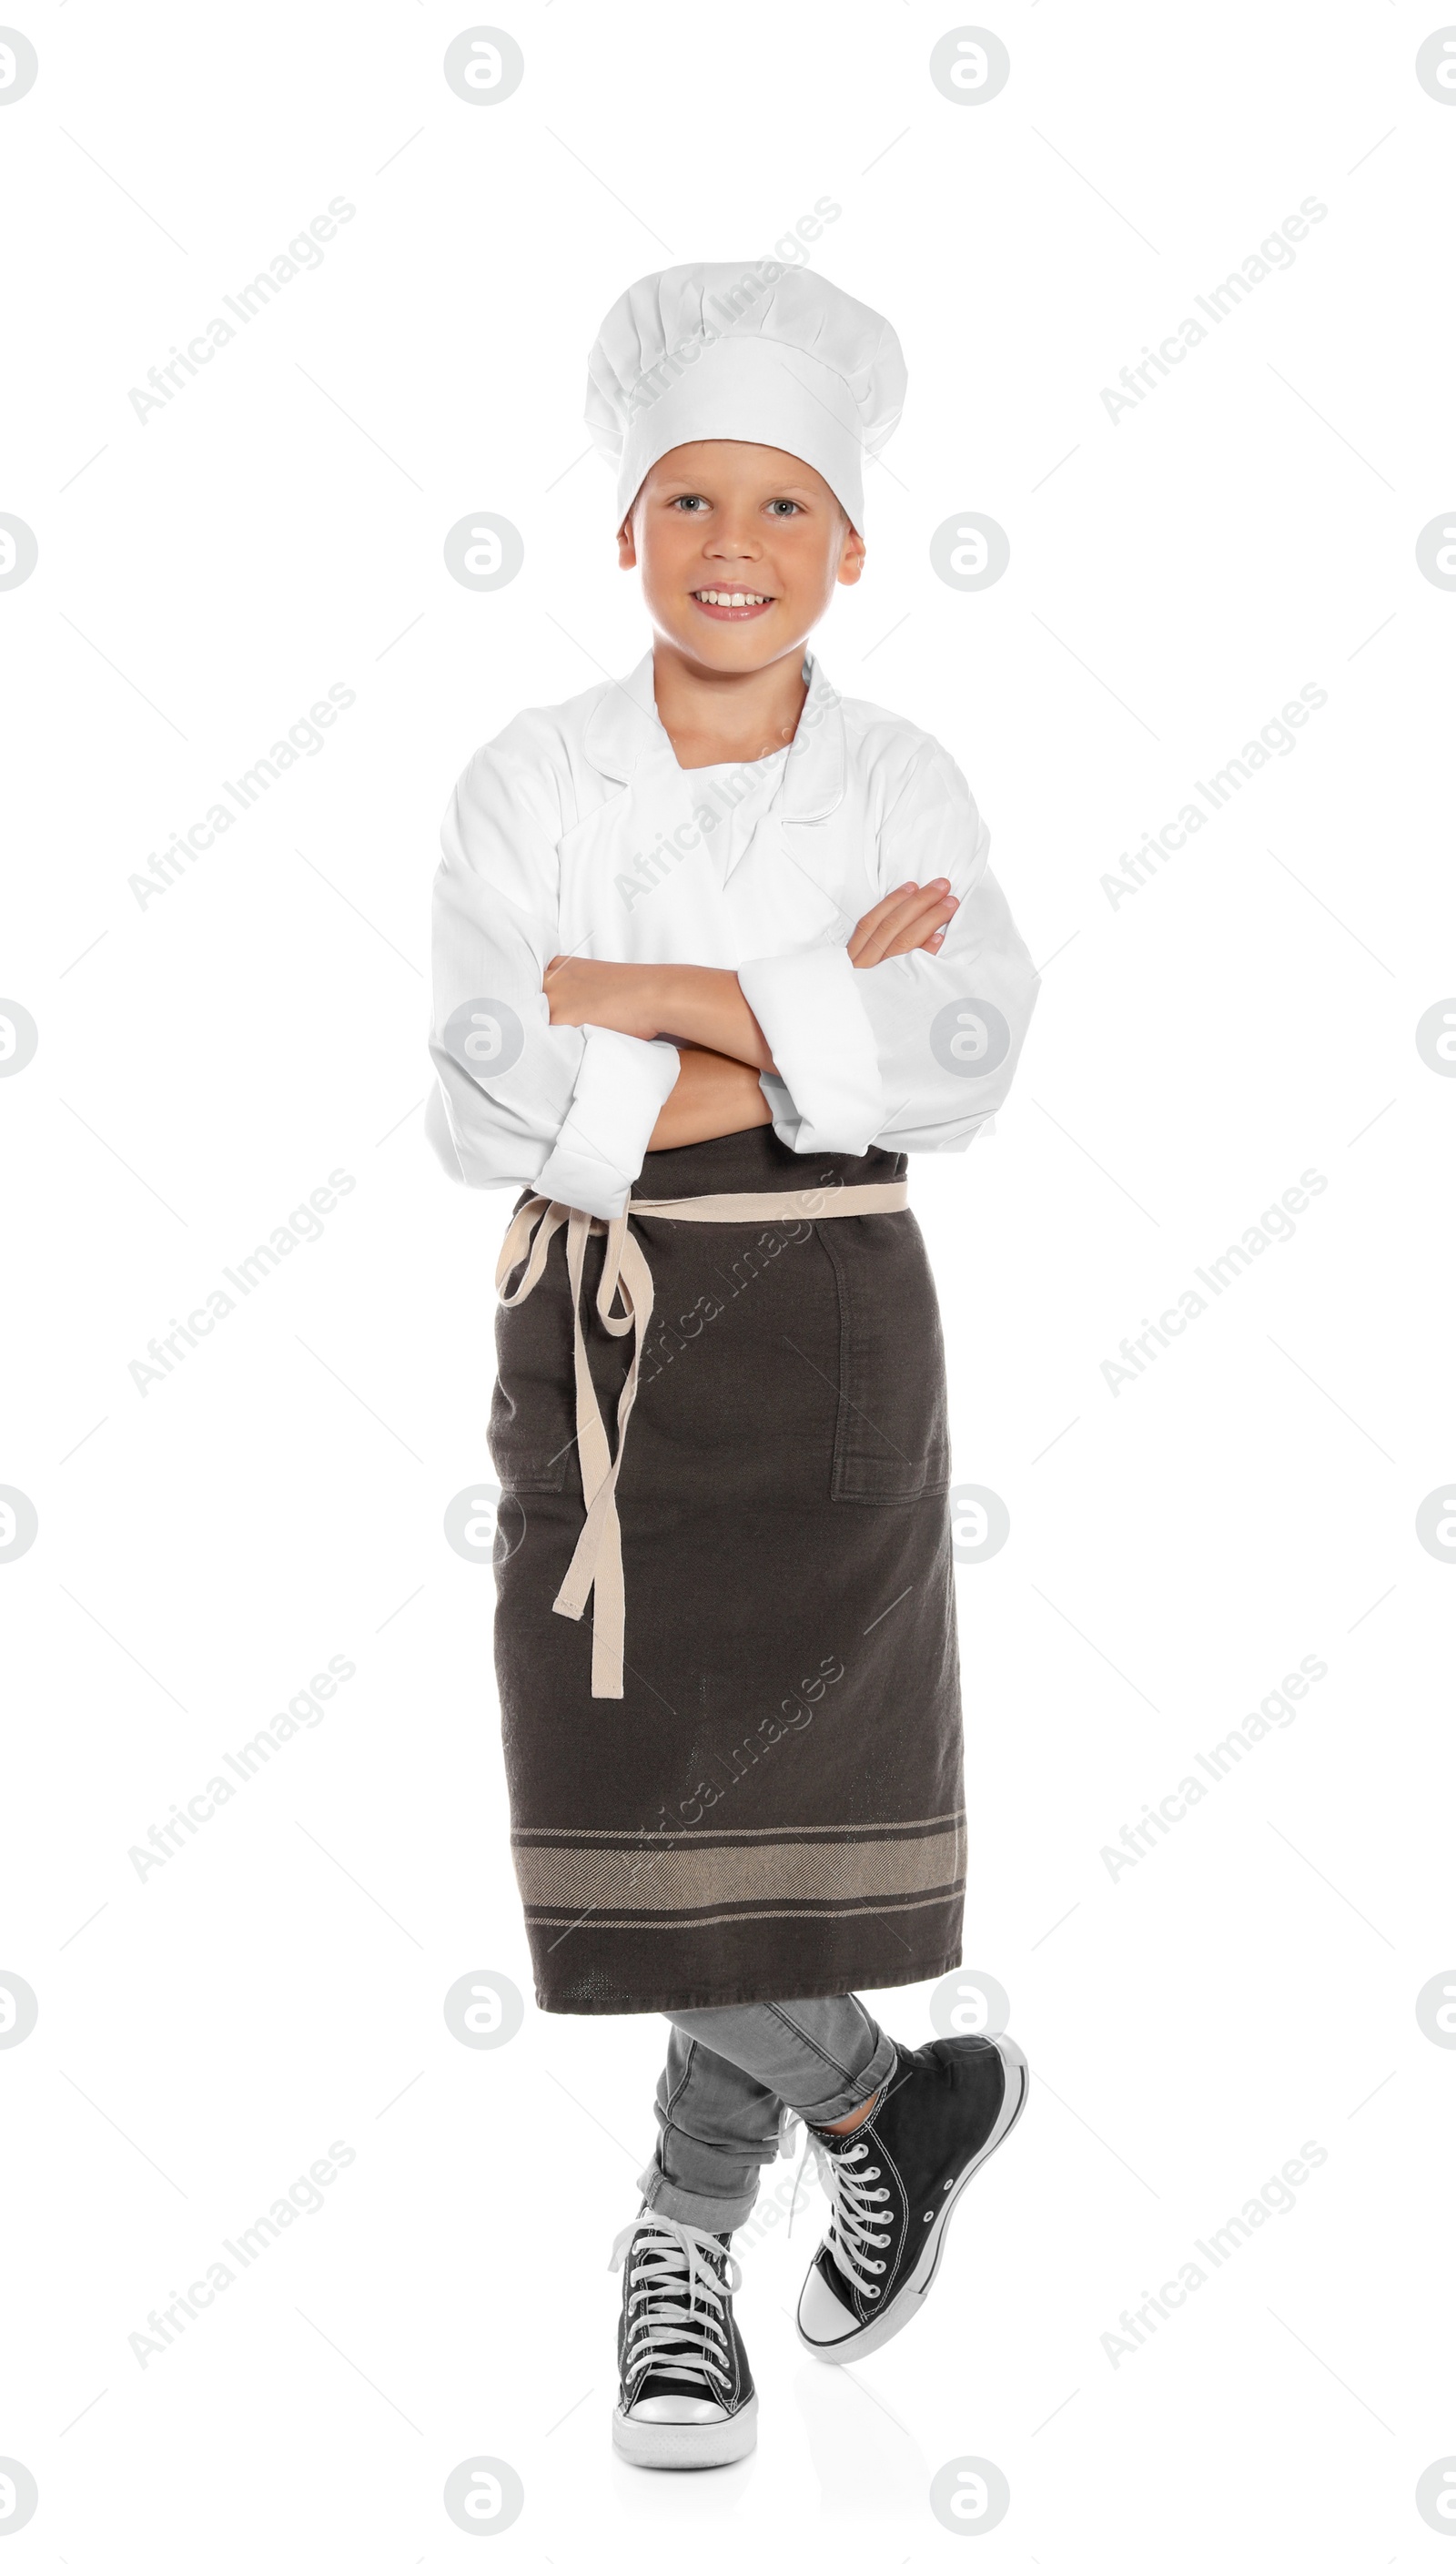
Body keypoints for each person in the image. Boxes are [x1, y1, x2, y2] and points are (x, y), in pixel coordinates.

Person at [427, 261, 1038, 2471]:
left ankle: (679, 2245)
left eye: (781, 505)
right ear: (622, 531)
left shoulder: (904, 775)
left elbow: (955, 1061)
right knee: (623, 1835)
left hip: (839, 1320)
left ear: (849, 545)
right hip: (594, 1333)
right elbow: (490, 1103)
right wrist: (796, 1012)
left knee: (768, 1826)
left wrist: (640, 995)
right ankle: (888, 2098)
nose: (729, 545)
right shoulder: (525, 775)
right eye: (688, 497)